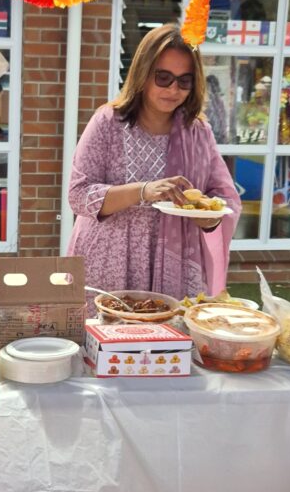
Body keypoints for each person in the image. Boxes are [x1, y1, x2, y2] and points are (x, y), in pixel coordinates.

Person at [66, 24, 241, 301]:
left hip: (177, 264)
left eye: (184, 81)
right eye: (163, 78)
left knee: (171, 341)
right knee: (107, 340)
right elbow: (78, 195)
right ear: (143, 74)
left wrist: (209, 219)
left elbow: (224, 197)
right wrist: (143, 191)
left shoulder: (197, 132)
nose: (174, 89)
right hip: (109, 261)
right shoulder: (109, 123)